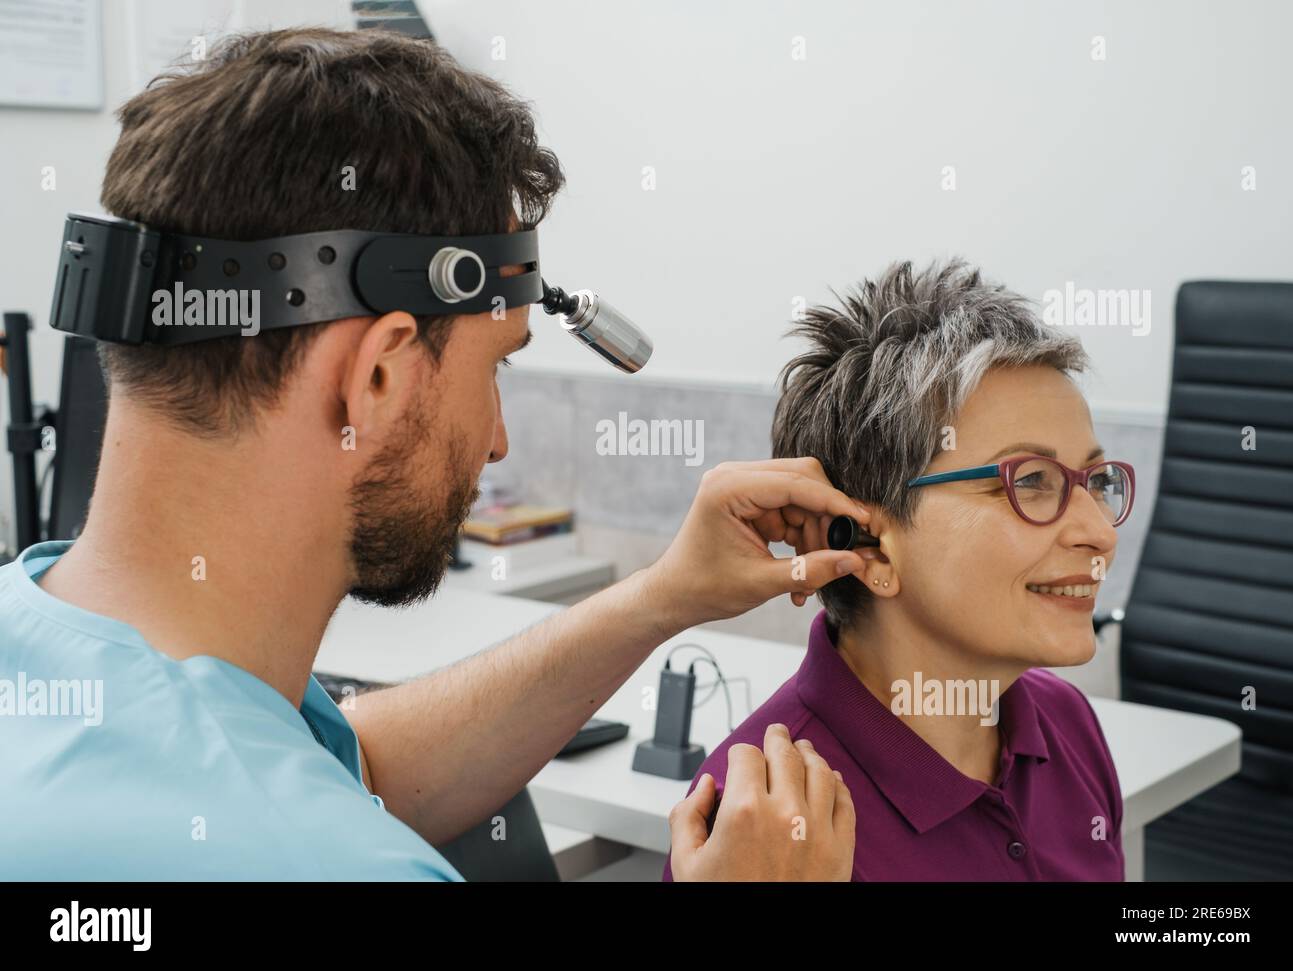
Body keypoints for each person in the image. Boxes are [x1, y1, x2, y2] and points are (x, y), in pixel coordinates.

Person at [0, 28, 865, 881]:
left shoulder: (55, 648)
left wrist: (662, 595)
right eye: (495, 368)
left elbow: (340, 769)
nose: (497, 439)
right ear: (377, 375)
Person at [665, 259, 1130, 881]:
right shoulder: (763, 827)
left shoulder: (1063, 719)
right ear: (874, 549)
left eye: (1095, 480)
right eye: (1030, 482)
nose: (1100, 533)